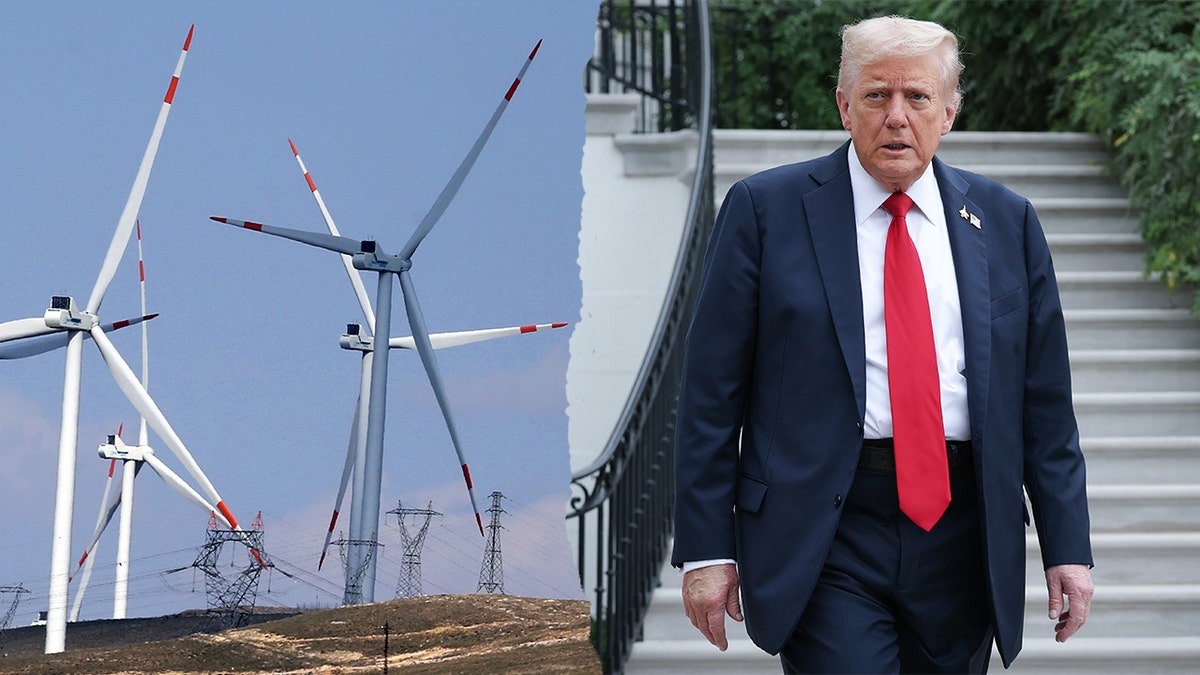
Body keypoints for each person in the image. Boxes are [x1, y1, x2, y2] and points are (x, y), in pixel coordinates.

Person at [671, 15, 1094, 674]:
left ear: (948, 111)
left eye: (917, 97)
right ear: (844, 106)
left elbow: (1046, 403)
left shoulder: (1006, 222)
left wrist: (1068, 546)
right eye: (876, 96)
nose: (896, 116)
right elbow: (709, 394)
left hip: (964, 532)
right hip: (826, 529)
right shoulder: (764, 211)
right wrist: (705, 549)